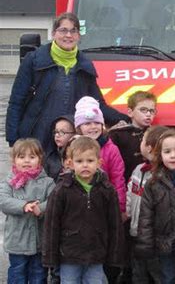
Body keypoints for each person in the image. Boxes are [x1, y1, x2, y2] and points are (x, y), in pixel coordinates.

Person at [6, 12, 127, 152]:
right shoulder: (33, 61)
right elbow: (16, 102)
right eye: (63, 30)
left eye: (73, 31)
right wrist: (13, 140)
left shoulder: (85, 68)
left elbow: (98, 105)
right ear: (53, 33)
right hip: (36, 141)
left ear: (78, 36)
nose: (68, 35)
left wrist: (128, 119)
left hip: (69, 144)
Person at [42, 136, 125, 283]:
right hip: (69, 254)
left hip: (97, 253)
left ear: (99, 163)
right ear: (70, 163)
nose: (85, 165)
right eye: (79, 161)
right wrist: (50, 256)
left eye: (90, 161)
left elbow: (115, 225)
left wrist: (115, 254)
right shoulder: (61, 190)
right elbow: (52, 224)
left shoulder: (107, 190)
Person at [135, 129, 175, 284]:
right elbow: (146, 217)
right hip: (164, 245)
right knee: (168, 278)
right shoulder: (153, 183)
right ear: (160, 155)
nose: (173, 155)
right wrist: (145, 245)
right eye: (167, 151)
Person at [0, 138, 55, 283]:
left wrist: (40, 209)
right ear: (14, 160)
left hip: (40, 240)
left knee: (38, 273)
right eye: (21, 157)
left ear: (40, 159)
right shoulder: (9, 182)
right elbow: (3, 200)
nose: (27, 161)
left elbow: (54, 201)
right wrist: (23, 205)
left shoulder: (48, 182)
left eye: (32, 157)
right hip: (17, 241)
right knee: (17, 272)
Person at [127, 125, 168, 283]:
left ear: (149, 148)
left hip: (155, 237)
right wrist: (127, 212)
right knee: (138, 273)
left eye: (143, 139)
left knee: (158, 274)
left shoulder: (163, 176)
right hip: (136, 232)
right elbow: (130, 192)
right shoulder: (139, 169)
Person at [74, 96, 127, 214]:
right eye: (87, 123)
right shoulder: (73, 149)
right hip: (79, 206)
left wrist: (120, 207)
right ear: (79, 128)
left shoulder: (111, 149)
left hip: (105, 204)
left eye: (97, 123)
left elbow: (118, 179)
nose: (93, 127)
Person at [109, 91, 157, 182]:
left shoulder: (155, 134)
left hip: (149, 181)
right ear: (130, 112)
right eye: (143, 110)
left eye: (152, 111)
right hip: (125, 180)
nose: (148, 114)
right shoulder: (117, 134)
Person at [44, 114, 76, 181]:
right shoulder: (50, 157)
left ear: (74, 134)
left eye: (62, 132)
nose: (57, 135)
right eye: (56, 132)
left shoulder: (80, 156)